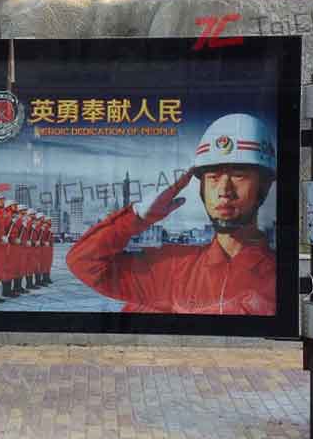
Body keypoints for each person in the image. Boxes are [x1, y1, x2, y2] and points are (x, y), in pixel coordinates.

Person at [66, 113, 277, 315]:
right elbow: (85, 264)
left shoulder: (278, 276)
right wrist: (137, 216)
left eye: (239, 175)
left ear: (265, 185)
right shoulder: (172, 267)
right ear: (201, 188)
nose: (224, 190)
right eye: (213, 177)